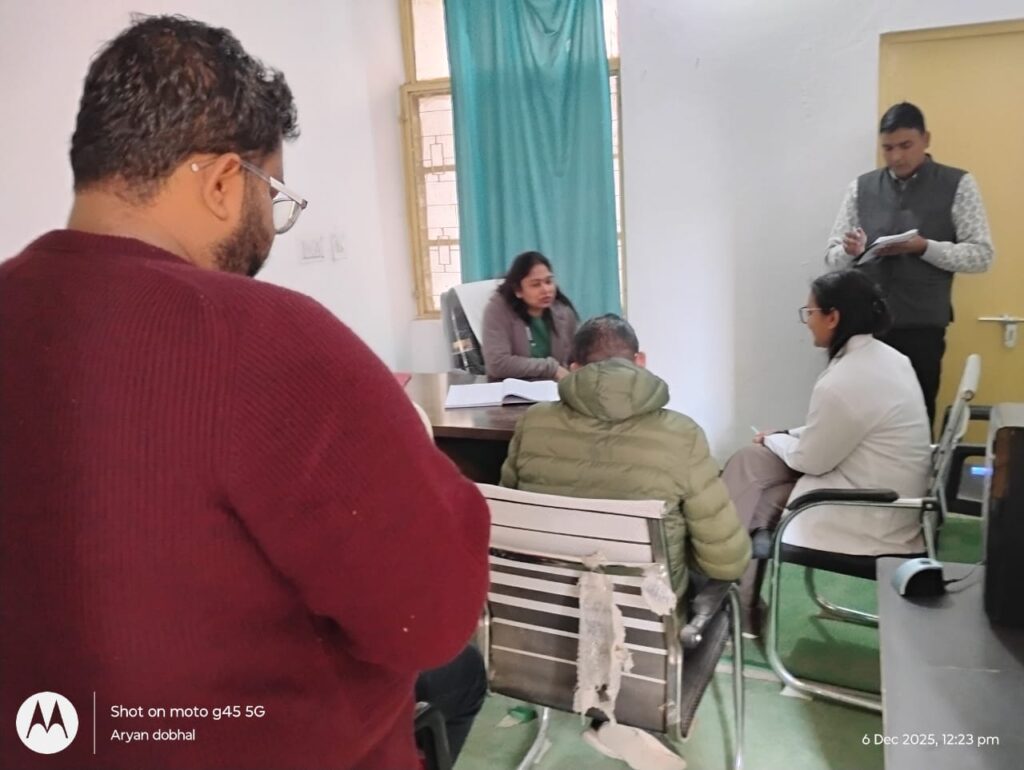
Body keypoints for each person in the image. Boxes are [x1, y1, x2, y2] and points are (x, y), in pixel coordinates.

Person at [0, 15, 489, 770]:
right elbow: (431, 617)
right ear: (226, 181)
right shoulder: (263, 338)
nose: (270, 224)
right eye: (274, 194)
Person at [723, 270, 932, 636]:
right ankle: (739, 598)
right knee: (751, 466)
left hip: (869, 513)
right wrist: (781, 435)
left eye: (810, 312)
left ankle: (734, 599)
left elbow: (812, 460)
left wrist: (774, 440)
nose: (808, 322)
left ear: (833, 317)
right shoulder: (889, 359)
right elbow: (841, 428)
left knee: (760, 494)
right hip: (888, 494)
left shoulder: (845, 379)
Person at [501, 314, 751, 598]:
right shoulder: (683, 435)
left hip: (540, 604)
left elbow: (507, 522)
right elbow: (726, 562)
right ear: (640, 360)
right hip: (647, 613)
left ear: (574, 369)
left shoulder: (532, 423)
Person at [825, 102, 994, 426]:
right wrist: (850, 251)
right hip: (864, 327)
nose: (896, 157)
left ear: (926, 139)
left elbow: (982, 255)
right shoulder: (861, 188)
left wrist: (925, 248)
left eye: (905, 145)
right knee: (859, 417)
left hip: (921, 328)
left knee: (915, 417)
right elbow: (832, 259)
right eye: (888, 148)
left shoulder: (958, 184)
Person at [481, 251, 579, 381]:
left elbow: (574, 358)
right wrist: (551, 368)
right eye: (536, 284)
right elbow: (497, 364)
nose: (546, 290)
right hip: (510, 388)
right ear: (518, 290)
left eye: (548, 281)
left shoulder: (563, 312)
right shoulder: (497, 310)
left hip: (553, 388)